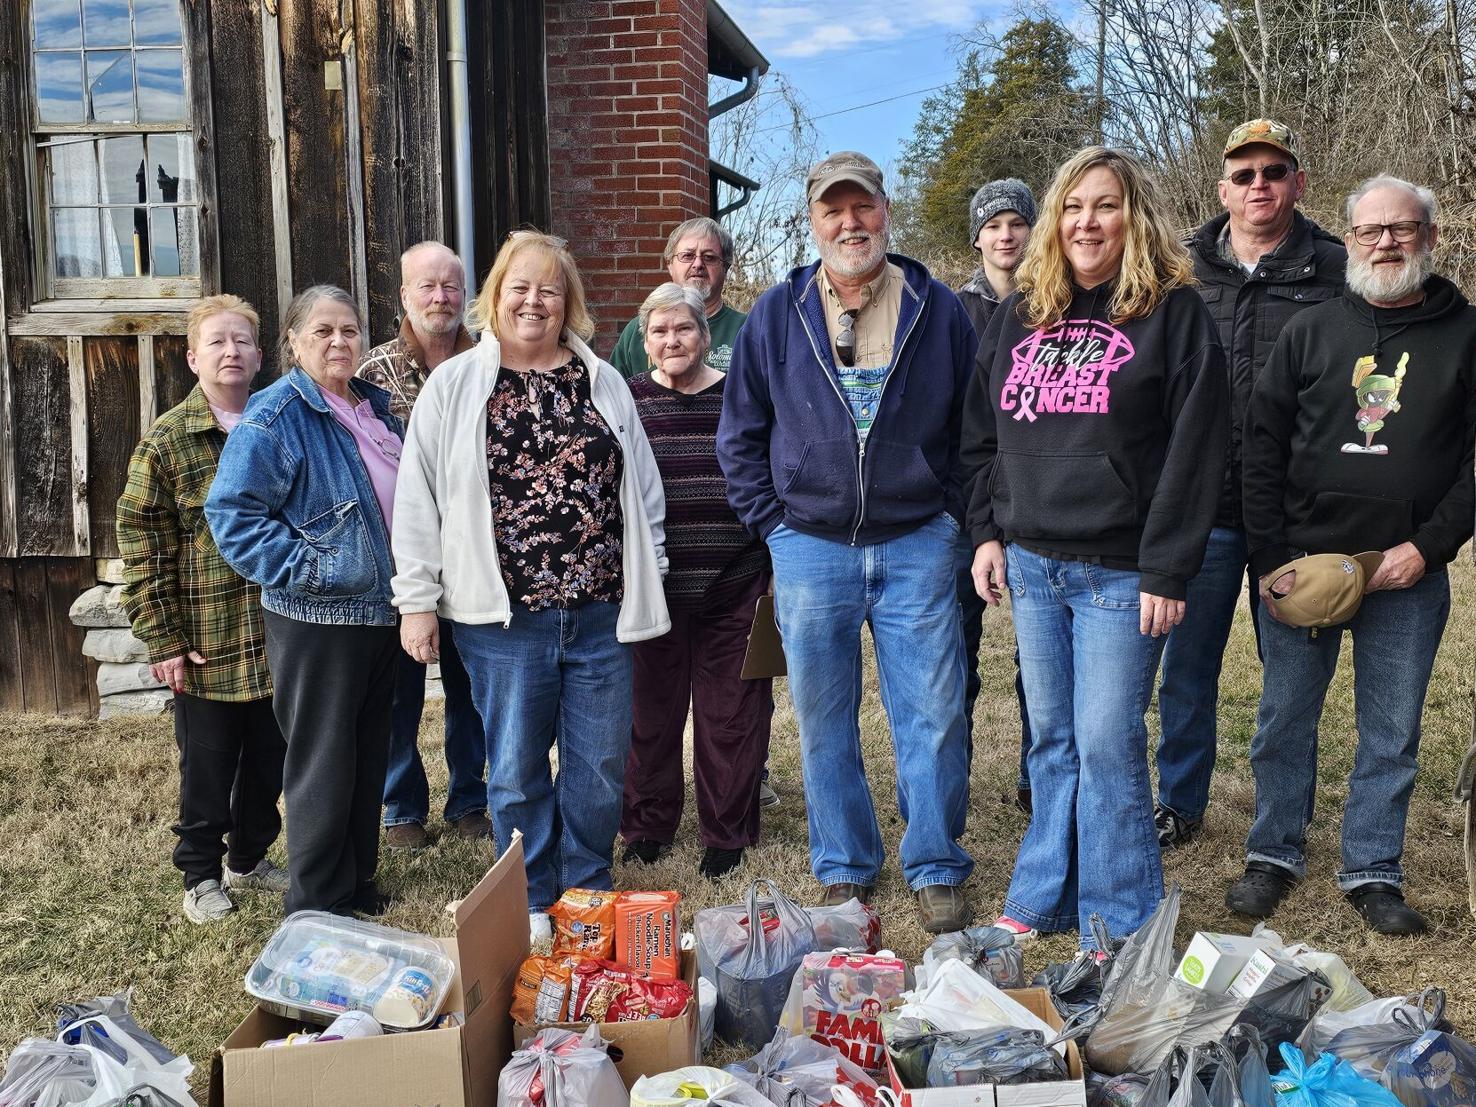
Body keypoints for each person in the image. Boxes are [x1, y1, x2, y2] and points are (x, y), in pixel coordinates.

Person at [961, 147, 1229, 948]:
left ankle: (1118, 922)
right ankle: (1044, 892)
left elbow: (1196, 449)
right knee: (1053, 739)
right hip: (1032, 563)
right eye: (1073, 206)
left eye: (1105, 205)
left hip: (1122, 569)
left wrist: (1168, 566)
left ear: (1133, 216)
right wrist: (987, 530)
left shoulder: (1174, 314)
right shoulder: (1021, 312)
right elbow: (979, 434)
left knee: (1108, 741)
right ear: (1055, 219)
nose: (1087, 222)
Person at [718, 150, 977, 934]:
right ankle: (844, 862)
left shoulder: (938, 309)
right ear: (813, 221)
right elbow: (741, 432)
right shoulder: (777, 312)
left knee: (933, 711)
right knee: (824, 715)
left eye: (861, 206)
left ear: (884, 211)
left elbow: (973, 427)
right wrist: (773, 524)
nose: (849, 223)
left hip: (917, 539)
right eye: (833, 210)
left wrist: (952, 517)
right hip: (809, 545)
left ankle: (935, 862)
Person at [392, 230, 669, 941]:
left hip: (602, 611)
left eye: (549, 289)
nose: (533, 301)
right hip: (503, 620)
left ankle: (587, 888)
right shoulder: (456, 384)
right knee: (515, 769)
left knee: (599, 765)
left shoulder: (602, 381)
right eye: (519, 287)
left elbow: (643, 488)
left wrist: (653, 572)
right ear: (495, 296)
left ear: (568, 302)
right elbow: (418, 500)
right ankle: (532, 896)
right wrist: (416, 601)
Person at [1227, 174, 1476, 935]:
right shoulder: (1311, 330)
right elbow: (1261, 448)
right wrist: (1270, 559)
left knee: (1391, 732)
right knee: (1283, 720)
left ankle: (1372, 868)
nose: (1385, 242)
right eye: (1370, 231)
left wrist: (1426, 548)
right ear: (1351, 241)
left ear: (1431, 237)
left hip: (1406, 571)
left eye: (1402, 228)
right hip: (1304, 565)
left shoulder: (1467, 334)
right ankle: (1272, 853)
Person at [1154, 120, 1347, 849]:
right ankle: (1179, 801)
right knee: (1186, 669)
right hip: (1198, 508)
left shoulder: (1336, 268)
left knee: (1291, 676)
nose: (1258, 184)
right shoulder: (1179, 269)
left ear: (1298, 182)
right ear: (1222, 190)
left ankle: (1283, 817)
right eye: (1244, 174)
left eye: (1274, 171)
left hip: (1295, 512)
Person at [206, 285, 403, 917]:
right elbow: (232, 515)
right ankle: (316, 902)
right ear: (293, 342)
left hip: (379, 611)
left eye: (349, 330)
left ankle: (356, 882)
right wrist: (311, 568)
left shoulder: (371, 405)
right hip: (318, 616)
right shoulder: (277, 415)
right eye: (323, 331)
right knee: (323, 761)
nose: (339, 342)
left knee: (366, 755)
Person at [116, 294, 288, 924]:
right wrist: (163, 639)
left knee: (270, 761)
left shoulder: (280, 427)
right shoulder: (168, 443)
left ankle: (249, 856)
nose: (230, 352)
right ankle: (200, 874)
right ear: (193, 358)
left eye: (242, 341)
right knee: (209, 766)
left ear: (260, 355)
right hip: (207, 641)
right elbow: (142, 543)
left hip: (278, 635)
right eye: (216, 342)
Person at [620, 283, 773, 880]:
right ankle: (647, 826)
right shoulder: (627, 400)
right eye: (659, 331)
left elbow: (770, 474)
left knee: (731, 714)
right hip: (651, 590)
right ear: (644, 341)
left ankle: (726, 832)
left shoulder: (742, 396)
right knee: (649, 715)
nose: (672, 340)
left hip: (736, 582)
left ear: (706, 337)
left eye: (683, 328)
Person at [357, 242, 487, 851]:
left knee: (473, 688)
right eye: (427, 286)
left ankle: (470, 800)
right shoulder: (371, 372)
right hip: (398, 557)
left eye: (451, 286)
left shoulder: (489, 362)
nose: (440, 297)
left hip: (474, 556)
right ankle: (401, 805)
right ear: (404, 295)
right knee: (398, 693)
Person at [956, 179, 1038, 814]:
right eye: (993, 225)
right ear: (977, 237)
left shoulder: (1057, 302)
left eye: (1016, 223)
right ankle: (949, 778)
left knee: (1039, 658)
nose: (1005, 235)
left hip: (1040, 498)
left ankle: (1038, 779)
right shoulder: (953, 311)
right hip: (968, 499)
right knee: (956, 651)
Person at [609, 217, 748, 377]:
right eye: (688, 256)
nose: (698, 264)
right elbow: (612, 389)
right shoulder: (637, 331)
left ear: (725, 268)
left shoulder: (747, 330)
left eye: (709, 257)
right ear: (670, 265)